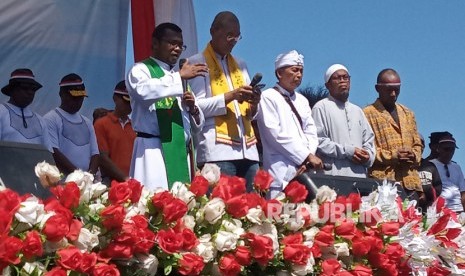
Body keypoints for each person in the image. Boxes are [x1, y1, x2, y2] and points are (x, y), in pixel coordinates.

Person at [126, 22, 208, 191]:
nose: (177, 49)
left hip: (179, 151)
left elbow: (195, 126)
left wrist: (193, 109)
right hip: (152, 150)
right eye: (172, 43)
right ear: (155, 43)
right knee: (153, 202)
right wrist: (179, 77)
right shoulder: (140, 70)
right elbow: (143, 92)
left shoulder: (178, 78)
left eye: (180, 45)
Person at [187, 11, 261, 190]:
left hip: (248, 150)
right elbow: (197, 107)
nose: (233, 41)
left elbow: (251, 113)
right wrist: (230, 96)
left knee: (252, 210)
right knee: (221, 209)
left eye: (237, 36)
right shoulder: (197, 62)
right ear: (213, 31)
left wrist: (255, 102)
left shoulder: (240, 64)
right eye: (229, 35)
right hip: (218, 151)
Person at [256, 50, 323, 198]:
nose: (298, 75)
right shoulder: (268, 97)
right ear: (280, 73)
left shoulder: (302, 100)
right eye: (294, 70)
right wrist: (305, 156)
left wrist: (309, 158)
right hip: (280, 172)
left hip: (304, 171)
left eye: (301, 71)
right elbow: (276, 135)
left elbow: (310, 131)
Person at [363, 68, 423, 196]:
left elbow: (417, 143)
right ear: (377, 88)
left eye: (397, 89)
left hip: (410, 183)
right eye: (389, 89)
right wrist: (393, 156)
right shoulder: (367, 114)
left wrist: (413, 155)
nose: (393, 94)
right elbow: (367, 150)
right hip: (383, 183)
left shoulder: (408, 113)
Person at [311, 64, 375, 177]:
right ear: (327, 85)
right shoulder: (321, 107)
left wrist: (368, 156)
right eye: (337, 78)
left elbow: (369, 141)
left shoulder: (357, 111)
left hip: (359, 176)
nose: (342, 81)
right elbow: (319, 141)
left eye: (345, 77)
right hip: (333, 175)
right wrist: (348, 151)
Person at [44, 73, 99, 176]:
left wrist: (89, 177)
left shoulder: (87, 122)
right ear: (62, 94)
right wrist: (78, 176)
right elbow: (53, 152)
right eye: (74, 97)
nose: (78, 101)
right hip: (62, 183)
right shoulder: (51, 119)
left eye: (81, 97)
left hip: (86, 184)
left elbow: (95, 154)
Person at [94, 81, 136, 183]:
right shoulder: (101, 124)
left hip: (133, 183)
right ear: (115, 98)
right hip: (111, 183)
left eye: (131, 101)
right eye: (126, 101)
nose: (129, 105)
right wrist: (125, 179)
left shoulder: (135, 126)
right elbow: (102, 158)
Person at [0, 68, 51, 151]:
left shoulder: (40, 120)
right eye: (25, 88)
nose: (30, 92)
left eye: (33, 89)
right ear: (12, 90)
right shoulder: (1, 113)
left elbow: (48, 153)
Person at [430, 133, 465, 213]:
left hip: (458, 210)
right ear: (438, 149)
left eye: (452, 149)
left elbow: (463, 192)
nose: (449, 152)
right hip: (440, 211)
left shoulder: (456, 167)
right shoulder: (431, 165)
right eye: (446, 149)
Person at [418, 134, 442, 211]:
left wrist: (428, 196)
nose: (418, 147)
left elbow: (438, 188)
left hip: (428, 209)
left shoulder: (429, 165)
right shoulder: (401, 167)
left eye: (421, 144)